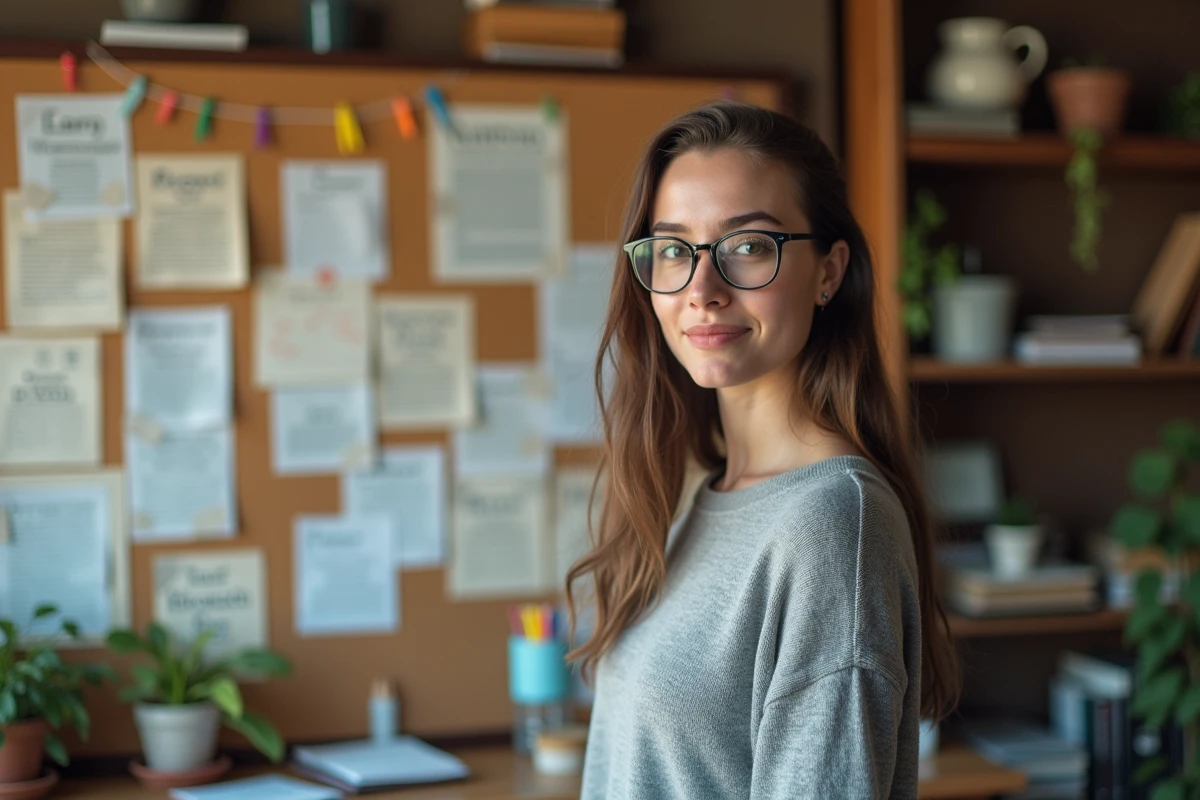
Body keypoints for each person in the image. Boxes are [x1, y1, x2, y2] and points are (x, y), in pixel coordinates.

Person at [564, 101, 960, 799]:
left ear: (829, 272)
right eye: (673, 249)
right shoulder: (703, 496)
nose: (702, 291)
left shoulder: (834, 525)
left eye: (748, 246)